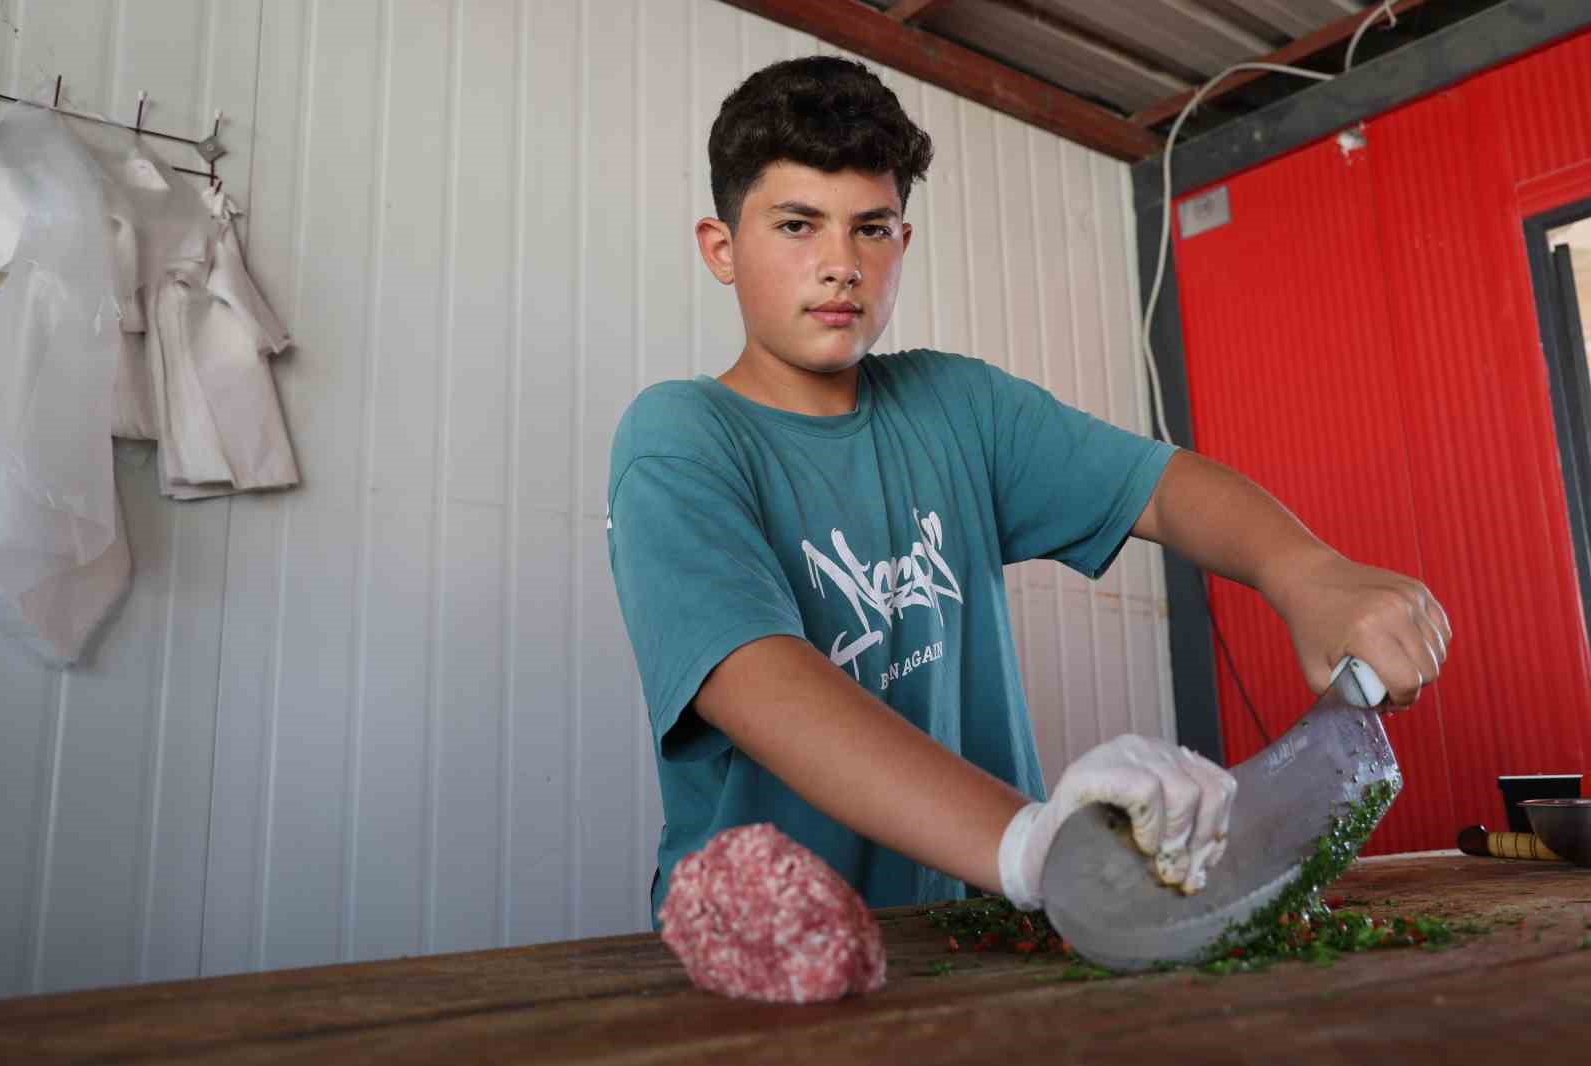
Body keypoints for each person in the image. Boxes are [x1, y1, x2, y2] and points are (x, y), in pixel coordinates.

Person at [607, 56, 1450, 926]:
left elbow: (1159, 486)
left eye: (871, 228)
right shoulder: (677, 438)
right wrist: (1029, 843)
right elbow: (756, 679)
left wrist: (1305, 571)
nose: (840, 265)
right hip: (767, 952)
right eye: (795, 224)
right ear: (720, 248)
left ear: (903, 242)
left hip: (975, 932)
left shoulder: (957, 405)